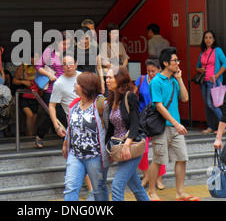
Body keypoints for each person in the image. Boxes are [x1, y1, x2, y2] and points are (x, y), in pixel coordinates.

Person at [148, 47, 199, 201]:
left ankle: (180, 192)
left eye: (177, 60)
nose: (177, 63)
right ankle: (151, 191)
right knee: (158, 159)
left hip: (175, 126)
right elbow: (159, 106)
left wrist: (180, 78)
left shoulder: (173, 80)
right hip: (162, 126)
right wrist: (175, 123)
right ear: (165, 63)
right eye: (174, 60)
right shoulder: (156, 81)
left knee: (182, 157)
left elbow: (184, 98)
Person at [104, 66, 150, 201]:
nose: (107, 80)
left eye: (110, 77)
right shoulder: (111, 99)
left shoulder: (130, 97)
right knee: (136, 186)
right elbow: (111, 128)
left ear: (120, 79)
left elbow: (136, 124)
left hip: (131, 147)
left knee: (117, 186)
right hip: (119, 148)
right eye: (106, 77)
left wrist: (127, 144)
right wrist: (109, 149)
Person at [62, 72, 109, 201]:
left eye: (78, 83)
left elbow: (110, 127)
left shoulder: (101, 104)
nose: (75, 85)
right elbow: (70, 126)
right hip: (75, 154)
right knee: (70, 187)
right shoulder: (75, 104)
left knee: (99, 189)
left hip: (95, 156)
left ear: (86, 87)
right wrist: (66, 142)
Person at [133, 56, 166, 190]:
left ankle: (159, 178)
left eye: (154, 71)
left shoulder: (163, 82)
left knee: (159, 149)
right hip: (143, 119)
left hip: (158, 119)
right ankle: (146, 175)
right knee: (144, 150)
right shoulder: (141, 80)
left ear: (159, 70)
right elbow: (133, 97)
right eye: (149, 71)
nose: (151, 74)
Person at [34, 30, 71, 148]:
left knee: (63, 113)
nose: (66, 46)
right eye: (64, 44)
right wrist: (49, 75)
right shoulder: (49, 52)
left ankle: (66, 137)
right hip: (51, 89)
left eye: (68, 44)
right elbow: (38, 66)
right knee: (53, 114)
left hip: (66, 89)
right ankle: (67, 137)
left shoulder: (69, 53)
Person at [196, 30, 226, 134]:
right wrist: (200, 69)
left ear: (214, 39)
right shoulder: (203, 51)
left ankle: (224, 125)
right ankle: (210, 126)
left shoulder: (217, 50)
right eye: (206, 37)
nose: (208, 40)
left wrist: (216, 75)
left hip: (213, 82)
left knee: (212, 104)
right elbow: (197, 66)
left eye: (210, 37)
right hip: (203, 82)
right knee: (207, 105)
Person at [13, 53, 40, 136]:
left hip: (36, 96)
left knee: (34, 120)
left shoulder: (41, 68)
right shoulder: (23, 67)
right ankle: (31, 135)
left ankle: (30, 133)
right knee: (29, 115)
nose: (34, 60)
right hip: (24, 96)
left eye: (36, 57)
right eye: (32, 57)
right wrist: (24, 82)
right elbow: (14, 81)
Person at [75, 26, 104, 94]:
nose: (85, 41)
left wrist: (102, 83)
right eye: (82, 39)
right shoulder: (75, 50)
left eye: (87, 38)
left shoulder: (95, 49)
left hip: (92, 80)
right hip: (81, 80)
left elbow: (99, 67)